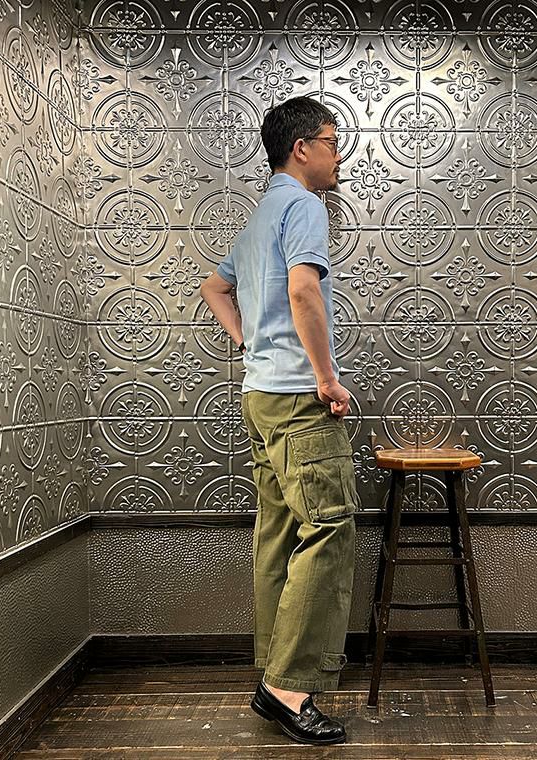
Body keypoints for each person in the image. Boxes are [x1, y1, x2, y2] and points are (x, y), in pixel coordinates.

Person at [199, 96, 359, 746]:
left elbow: (214, 287)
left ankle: (272, 675)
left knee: (278, 533)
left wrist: (248, 342)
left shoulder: (261, 215)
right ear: (302, 148)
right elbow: (302, 289)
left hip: (259, 395)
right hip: (296, 397)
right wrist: (325, 377)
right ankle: (290, 690)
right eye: (332, 142)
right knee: (329, 527)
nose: (338, 155)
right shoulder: (304, 205)